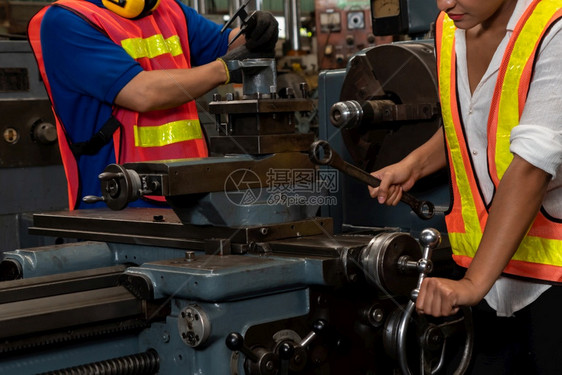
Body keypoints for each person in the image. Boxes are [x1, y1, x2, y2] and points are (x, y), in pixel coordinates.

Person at [369, 0, 562, 373]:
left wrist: (472, 284)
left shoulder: (553, 29)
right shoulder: (447, 28)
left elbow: (532, 167)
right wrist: (414, 164)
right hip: (486, 282)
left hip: (550, 282)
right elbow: (470, 117)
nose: (445, 3)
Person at [27, 0, 278, 209]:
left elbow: (227, 45)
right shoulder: (67, 20)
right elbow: (142, 92)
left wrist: (255, 32)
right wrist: (224, 69)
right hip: (118, 205)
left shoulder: (168, 10)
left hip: (191, 195)